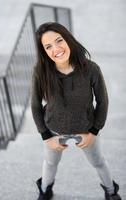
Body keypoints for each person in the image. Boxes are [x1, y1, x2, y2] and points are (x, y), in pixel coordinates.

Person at [31, 22, 121, 200]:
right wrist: (46, 136)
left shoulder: (91, 69)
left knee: (99, 162)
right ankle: (44, 190)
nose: (56, 49)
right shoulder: (40, 72)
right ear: (44, 52)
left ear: (68, 39)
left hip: (86, 130)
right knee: (50, 163)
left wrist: (94, 131)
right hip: (54, 130)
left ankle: (111, 191)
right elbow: (35, 105)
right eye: (48, 46)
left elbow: (103, 101)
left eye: (59, 41)